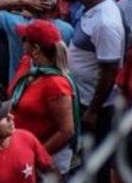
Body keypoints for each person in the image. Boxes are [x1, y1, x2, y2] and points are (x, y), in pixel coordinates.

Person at [7, 20, 79, 171]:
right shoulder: (29, 65)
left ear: (35, 49)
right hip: (22, 152)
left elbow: (66, 131)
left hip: (45, 160)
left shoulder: (56, 83)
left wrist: (36, 155)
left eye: (24, 39)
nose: (21, 43)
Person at [68, 0, 126, 133]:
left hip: (94, 103)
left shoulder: (104, 23)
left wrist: (93, 111)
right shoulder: (97, 9)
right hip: (83, 96)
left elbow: (110, 70)